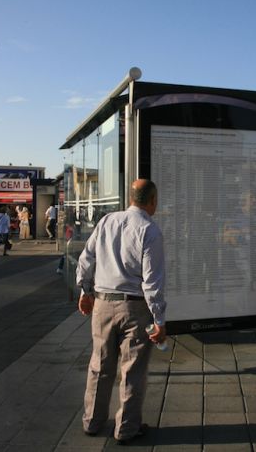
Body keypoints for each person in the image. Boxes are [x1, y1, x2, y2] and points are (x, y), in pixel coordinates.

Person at [76, 179, 167, 445]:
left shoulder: (106, 221)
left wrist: (85, 291)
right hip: (135, 307)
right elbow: (152, 281)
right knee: (132, 369)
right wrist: (159, 319)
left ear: (131, 198)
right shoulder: (150, 230)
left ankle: (92, 421)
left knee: (99, 365)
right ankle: (126, 428)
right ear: (152, 200)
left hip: (102, 304)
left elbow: (86, 258)